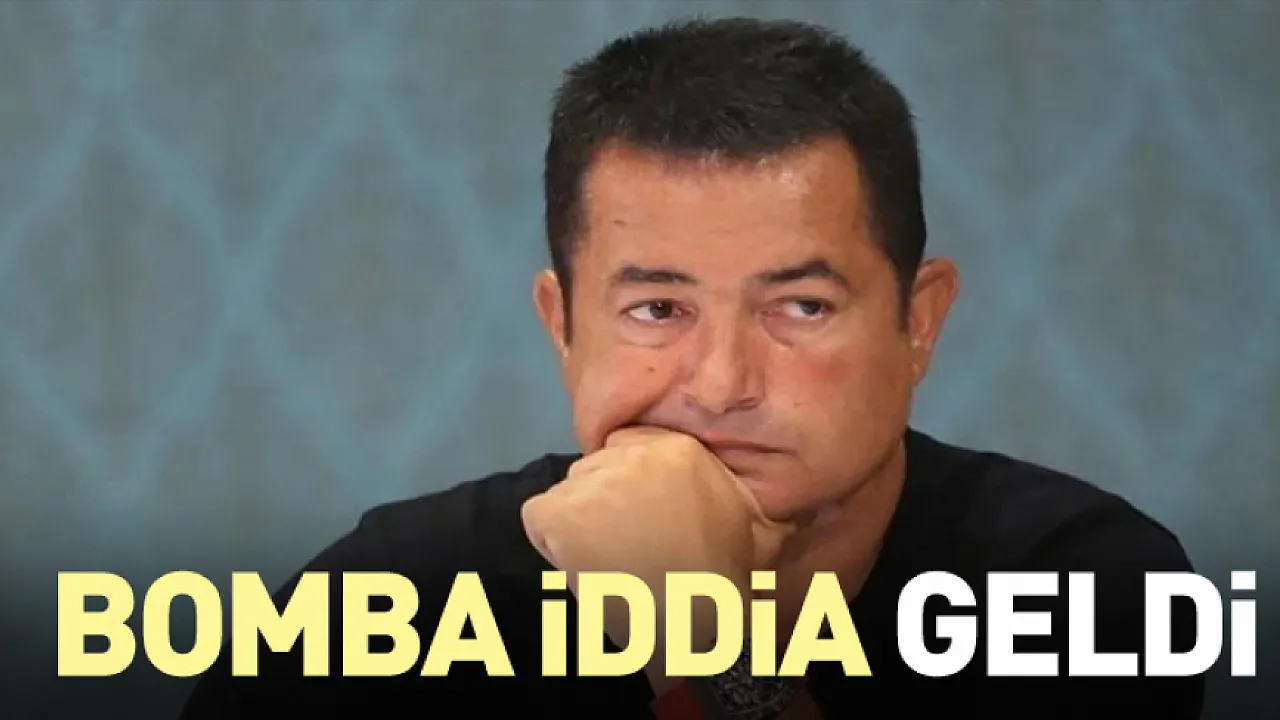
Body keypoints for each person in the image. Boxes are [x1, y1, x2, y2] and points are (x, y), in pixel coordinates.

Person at [180, 17, 1203, 719]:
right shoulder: (392, 600)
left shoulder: (1077, 587)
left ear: (917, 322)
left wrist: (700, 641)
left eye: (800, 307)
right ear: (563, 327)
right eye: (657, 309)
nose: (719, 384)